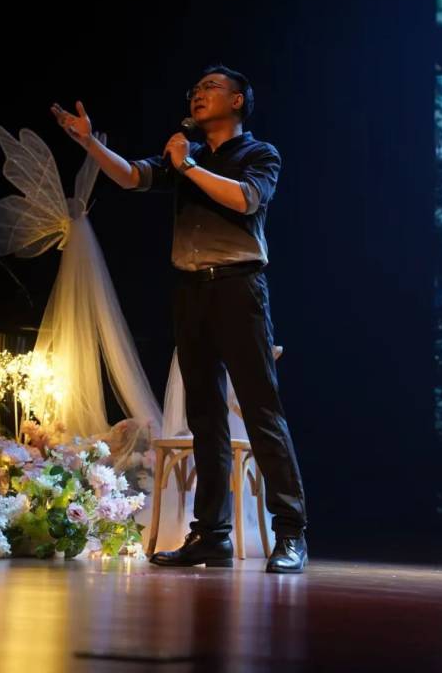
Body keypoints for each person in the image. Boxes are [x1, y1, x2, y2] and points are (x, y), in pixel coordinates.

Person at [51, 64, 307, 573]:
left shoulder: (259, 153)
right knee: (203, 417)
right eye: (195, 89)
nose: (198, 95)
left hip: (238, 287)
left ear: (237, 100)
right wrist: (89, 143)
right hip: (191, 290)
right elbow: (131, 176)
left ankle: (291, 533)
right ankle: (211, 535)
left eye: (211, 87)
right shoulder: (185, 155)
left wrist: (186, 166)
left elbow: (246, 199)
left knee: (261, 411)